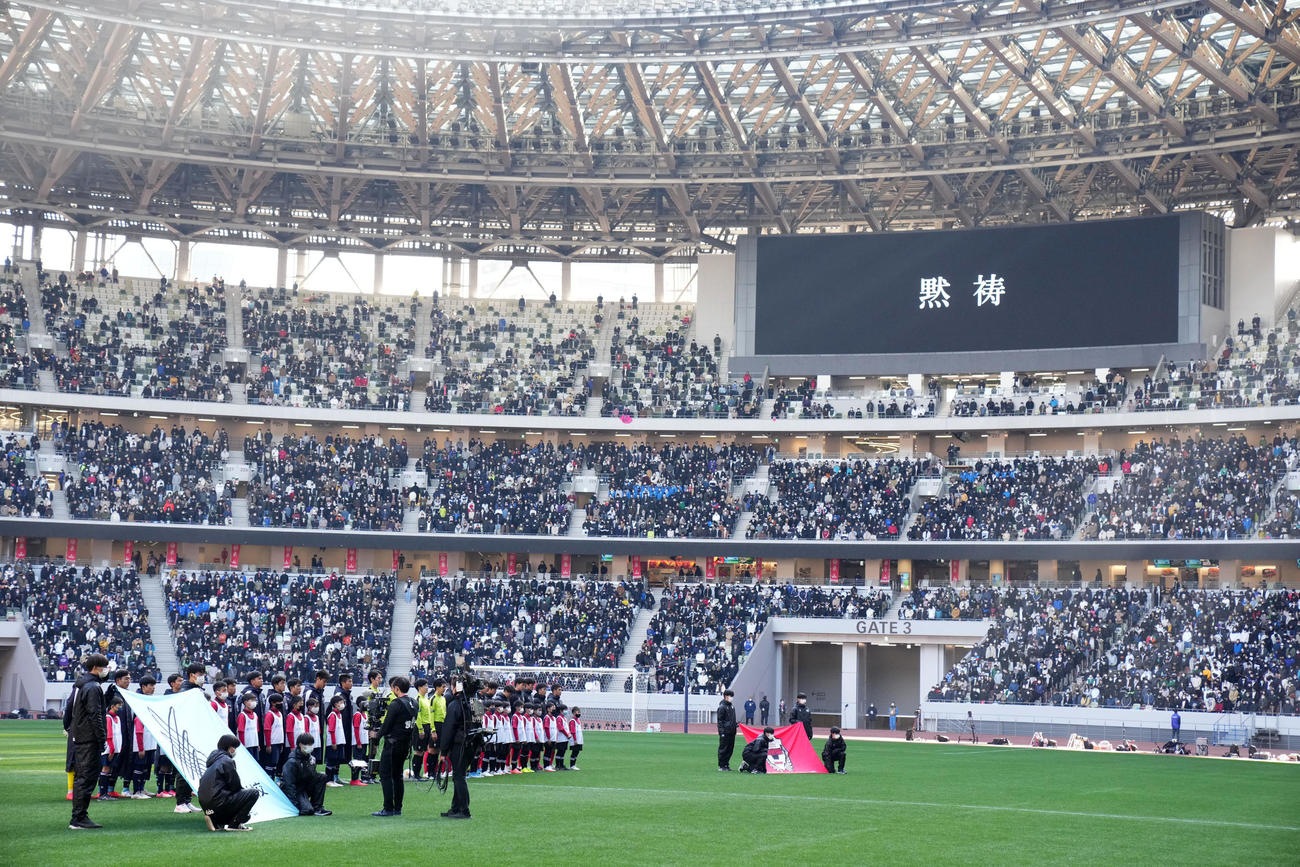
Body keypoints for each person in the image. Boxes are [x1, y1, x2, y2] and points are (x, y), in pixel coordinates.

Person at [68, 653, 109, 830]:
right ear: (96, 668)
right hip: (89, 738)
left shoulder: (84, 685)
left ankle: (79, 816)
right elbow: (95, 715)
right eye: (105, 667)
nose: (107, 670)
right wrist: (102, 738)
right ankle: (79, 818)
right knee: (86, 777)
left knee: (83, 777)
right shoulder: (92, 687)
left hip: (82, 736)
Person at [372, 676, 417, 817]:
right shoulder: (414, 703)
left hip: (392, 744)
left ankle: (388, 808)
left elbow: (387, 725)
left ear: (396, 688)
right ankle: (398, 807)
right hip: (405, 743)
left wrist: (376, 736)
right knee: (397, 776)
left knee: (385, 775)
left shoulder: (396, 704)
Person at [198, 734, 259, 832]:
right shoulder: (227, 761)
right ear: (231, 748)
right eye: (235, 747)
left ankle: (215, 820)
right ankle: (235, 823)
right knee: (253, 793)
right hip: (219, 802)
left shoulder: (212, 762)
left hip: (206, 805)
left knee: (228, 798)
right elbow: (235, 785)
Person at [173, 663, 207, 815]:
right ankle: (180, 803)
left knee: (191, 768)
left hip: (195, 732)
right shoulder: (186, 691)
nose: (203, 677)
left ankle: (186, 800)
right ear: (192, 675)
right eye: (200, 674)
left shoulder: (194, 690)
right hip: (186, 734)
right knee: (184, 770)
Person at [440, 674, 473, 819]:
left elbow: (448, 730)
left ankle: (464, 810)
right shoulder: (472, 703)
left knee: (459, 776)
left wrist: (444, 750)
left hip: (460, 744)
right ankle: (456, 807)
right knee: (459, 776)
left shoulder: (454, 705)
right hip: (471, 743)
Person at [279, 734, 331, 817]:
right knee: (307, 810)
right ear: (300, 745)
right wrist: (294, 804)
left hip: (304, 786)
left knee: (322, 776)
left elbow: (313, 776)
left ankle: (317, 807)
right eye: (308, 744)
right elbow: (288, 784)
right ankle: (300, 805)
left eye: (311, 744)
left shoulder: (311, 759)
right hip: (296, 790)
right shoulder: (292, 762)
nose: (310, 747)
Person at [130, 676, 159, 798]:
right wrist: (140, 746)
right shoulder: (137, 701)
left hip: (151, 740)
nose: (153, 688)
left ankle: (142, 788)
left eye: (154, 686)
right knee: (139, 765)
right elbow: (137, 723)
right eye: (150, 686)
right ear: (143, 687)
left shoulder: (151, 700)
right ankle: (137, 791)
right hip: (141, 740)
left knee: (147, 766)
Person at [716, 689, 737, 771]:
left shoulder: (732, 706)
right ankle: (722, 765)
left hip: (732, 731)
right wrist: (722, 732)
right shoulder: (722, 707)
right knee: (723, 749)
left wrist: (734, 725)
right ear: (726, 696)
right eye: (731, 696)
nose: (732, 698)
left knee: (730, 749)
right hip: (725, 732)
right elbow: (720, 721)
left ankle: (726, 764)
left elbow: (731, 719)